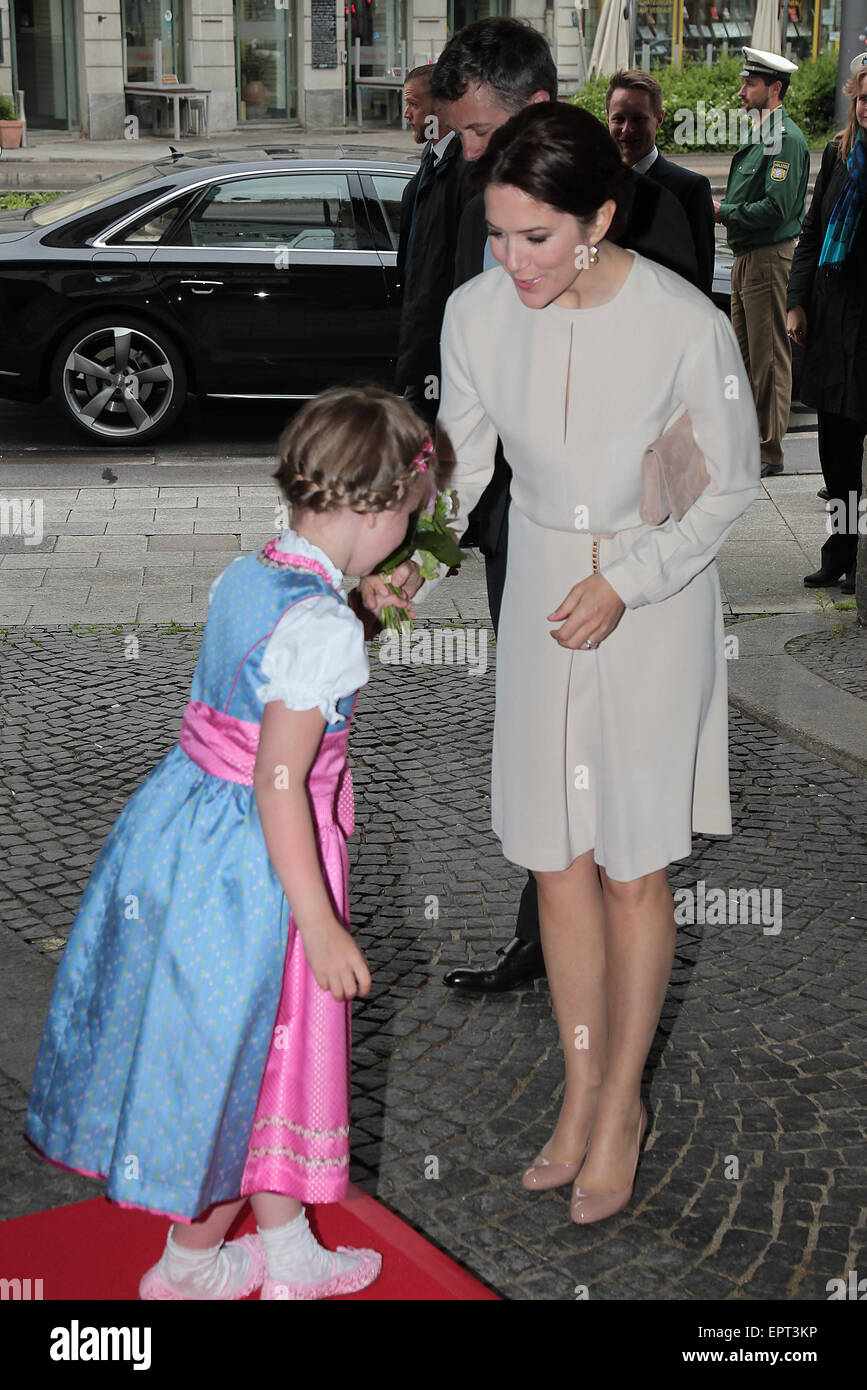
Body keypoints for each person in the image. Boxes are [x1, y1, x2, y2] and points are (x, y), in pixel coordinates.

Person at [371, 101, 760, 1220]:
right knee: (555, 858)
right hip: (542, 587)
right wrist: (411, 563)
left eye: (535, 237)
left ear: (598, 217)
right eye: (496, 234)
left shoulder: (688, 321)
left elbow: (731, 484)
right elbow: (464, 467)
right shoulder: (477, 314)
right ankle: (581, 1086)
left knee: (632, 863)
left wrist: (628, 580)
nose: (512, 261)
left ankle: (622, 1105)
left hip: (651, 598)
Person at [24, 386, 431, 1299]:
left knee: (260, 1052)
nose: (407, 531)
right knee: (239, 1067)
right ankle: (189, 1266)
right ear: (371, 511)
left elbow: (267, 678)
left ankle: (284, 1246)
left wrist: (361, 605)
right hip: (259, 867)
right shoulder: (320, 627)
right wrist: (320, 924)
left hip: (185, 829)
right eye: (406, 514)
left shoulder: (254, 572)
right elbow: (280, 779)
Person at [426, 16, 699, 994]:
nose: (457, 151)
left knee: (622, 782)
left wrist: (635, 555)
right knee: (546, 744)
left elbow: (691, 427)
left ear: (532, 110)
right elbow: (458, 347)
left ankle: (595, 946)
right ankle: (547, 926)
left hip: (631, 559)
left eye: (470, 130)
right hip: (518, 527)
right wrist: (410, 548)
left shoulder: (659, 208)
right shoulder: (477, 191)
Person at [787, 53, 867, 596]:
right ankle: (840, 552)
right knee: (835, 458)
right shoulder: (838, 155)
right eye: (861, 97)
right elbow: (812, 232)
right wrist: (797, 302)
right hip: (830, 324)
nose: (866, 106)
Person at [714, 46, 810, 478]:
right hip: (747, 255)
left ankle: (769, 451)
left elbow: (776, 208)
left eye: (749, 83)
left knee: (769, 355)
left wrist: (724, 213)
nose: (741, 91)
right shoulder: (762, 135)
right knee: (744, 357)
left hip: (769, 256)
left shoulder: (785, 139)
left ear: (774, 88)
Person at [395, 64, 469, 426]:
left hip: (443, 351)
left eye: (413, 103)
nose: (406, 114)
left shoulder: (465, 172)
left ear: (440, 108)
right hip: (425, 345)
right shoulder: (433, 160)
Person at [605, 68, 716, 297]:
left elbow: (700, 283)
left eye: (638, 119)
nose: (627, 129)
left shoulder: (690, 189)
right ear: (607, 118)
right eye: (619, 119)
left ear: (659, 119)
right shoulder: (590, 185)